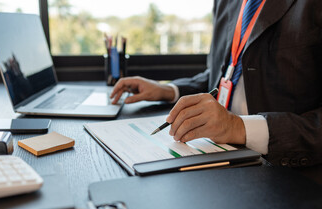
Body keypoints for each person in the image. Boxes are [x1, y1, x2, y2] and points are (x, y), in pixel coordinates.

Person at [110, 0, 322, 169]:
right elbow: (227, 73)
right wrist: (169, 90)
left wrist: (238, 127)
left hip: (285, 171)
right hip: (216, 151)